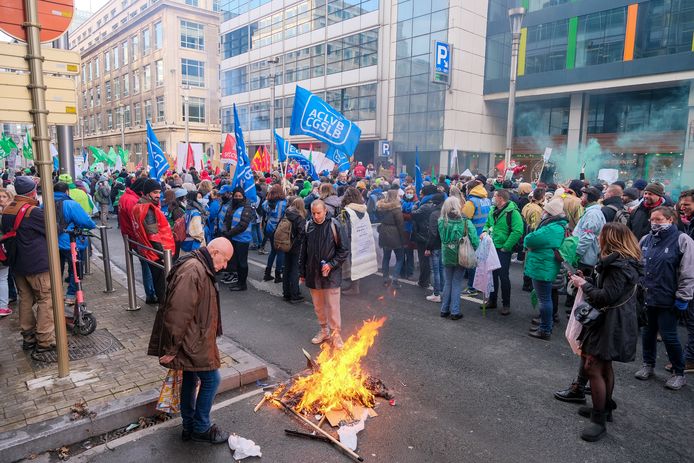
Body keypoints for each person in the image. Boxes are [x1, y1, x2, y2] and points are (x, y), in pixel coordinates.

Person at [148, 238, 234, 444]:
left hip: (194, 337)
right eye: (225, 260)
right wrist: (171, 347)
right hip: (192, 340)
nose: (225, 266)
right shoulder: (194, 269)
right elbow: (178, 312)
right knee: (212, 380)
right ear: (214, 252)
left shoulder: (199, 266)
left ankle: (189, 425)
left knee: (190, 378)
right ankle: (201, 427)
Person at [568, 223, 643, 442]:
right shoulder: (626, 261)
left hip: (610, 321)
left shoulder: (616, 265)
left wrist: (583, 284)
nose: (598, 238)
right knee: (604, 364)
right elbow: (611, 290)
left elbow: (606, 297)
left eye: (602, 235)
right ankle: (604, 409)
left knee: (593, 366)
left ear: (609, 239)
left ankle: (598, 421)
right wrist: (589, 280)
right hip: (617, 318)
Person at [634, 206, 694, 390]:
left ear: (670, 220)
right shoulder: (646, 239)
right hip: (647, 296)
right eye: (652, 219)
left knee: (669, 336)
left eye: (659, 219)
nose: (654, 223)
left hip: (669, 298)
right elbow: (637, 263)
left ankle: (679, 373)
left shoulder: (683, 240)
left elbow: (688, 271)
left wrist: (683, 297)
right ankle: (648, 365)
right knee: (647, 333)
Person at [1, 176, 55, 353]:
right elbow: (54, 230)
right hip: (37, 264)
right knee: (45, 299)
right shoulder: (33, 211)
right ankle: (45, 339)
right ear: (33, 192)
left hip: (17, 264)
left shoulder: (8, 209)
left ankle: (28, 336)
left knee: (25, 299)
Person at [300, 200, 350, 348]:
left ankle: (336, 334)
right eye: (313, 213)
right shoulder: (308, 226)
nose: (316, 216)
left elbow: (344, 250)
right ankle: (324, 330)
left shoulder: (335, 225)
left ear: (325, 211)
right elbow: (304, 252)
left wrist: (331, 264)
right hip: (313, 273)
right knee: (318, 306)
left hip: (331, 275)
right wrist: (302, 272)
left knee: (333, 307)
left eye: (319, 213)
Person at [524, 199, 567, 340]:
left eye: (545, 211)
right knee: (546, 298)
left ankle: (545, 329)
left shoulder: (551, 228)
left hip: (543, 265)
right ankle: (545, 325)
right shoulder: (557, 226)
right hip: (545, 264)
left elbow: (530, 239)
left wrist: (530, 243)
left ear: (550, 213)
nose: (543, 212)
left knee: (544, 299)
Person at [131, 179, 175, 305]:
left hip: (148, 251)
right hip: (156, 253)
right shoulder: (148, 209)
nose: (158, 195)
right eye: (155, 192)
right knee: (162, 285)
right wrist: (162, 256)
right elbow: (153, 235)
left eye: (159, 192)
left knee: (158, 282)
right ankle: (165, 311)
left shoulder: (139, 206)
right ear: (146, 193)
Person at [54, 182, 97, 306]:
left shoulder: (44, 204)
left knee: (56, 269)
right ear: (67, 191)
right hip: (70, 242)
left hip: (52, 243)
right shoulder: (71, 204)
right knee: (75, 269)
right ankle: (71, 295)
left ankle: (56, 295)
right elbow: (87, 222)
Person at [481, 189, 523, 315]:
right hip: (491, 246)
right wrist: (484, 231)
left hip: (503, 249)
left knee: (503, 276)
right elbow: (488, 224)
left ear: (500, 198)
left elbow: (518, 231)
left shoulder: (513, 212)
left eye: (494, 196)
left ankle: (506, 304)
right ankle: (492, 301)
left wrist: (506, 246)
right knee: (492, 274)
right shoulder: (492, 210)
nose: (492, 198)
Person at [438, 197, 479, 320]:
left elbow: (441, 237)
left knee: (448, 282)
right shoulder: (465, 221)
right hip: (461, 254)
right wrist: (478, 250)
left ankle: (444, 309)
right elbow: (474, 239)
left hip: (447, 253)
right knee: (456, 283)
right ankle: (455, 311)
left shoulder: (441, 221)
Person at [340, 187, 377, 296]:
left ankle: (354, 287)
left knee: (351, 263)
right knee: (357, 262)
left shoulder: (344, 211)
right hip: (361, 239)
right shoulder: (364, 210)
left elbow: (343, 228)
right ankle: (354, 285)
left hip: (351, 241)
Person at [461, 180, 492, 296]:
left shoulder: (471, 202)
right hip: (484, 234)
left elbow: (464, 219)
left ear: (470, 189)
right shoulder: (486, 200)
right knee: (482, 262)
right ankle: (480, 286)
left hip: (473, 235)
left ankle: (472, 287)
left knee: (472, 263)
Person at [224, 187, 255, 291]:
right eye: (236, 196)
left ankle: (242, 284)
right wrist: (226, 231)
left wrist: (229, 233)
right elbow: (226, 219)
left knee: (242, 262)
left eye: (239, 196)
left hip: (242, 239)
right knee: (236, 261)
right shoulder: (232, 206)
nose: (237, 198)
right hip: (233, 237)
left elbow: (243, 225)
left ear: (243, 196)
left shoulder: (247, 207)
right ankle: (239, 282)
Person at [677, 190, 694, 372]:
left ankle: (690, 359)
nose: (683, 207)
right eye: (682, 204)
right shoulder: (688, 223)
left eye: (687, 204)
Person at [377, 189, 407, 288]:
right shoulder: (396, 209)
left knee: (386, 257)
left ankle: (385, 279)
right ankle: (394, 280)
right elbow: (400, 225)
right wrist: (404, 240)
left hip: (384, 233)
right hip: (395, 235)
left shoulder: (381, 207)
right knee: (400, 258)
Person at [282, 198, 307, 302]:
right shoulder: (300, 218)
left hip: (286, 244)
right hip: (295, 247)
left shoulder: (286, 214)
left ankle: (286, 293)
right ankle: (294, 295)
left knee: (286, 269)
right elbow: (301, 234)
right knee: (294, 270)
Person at [521, 188, 545, 292]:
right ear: (542, 197)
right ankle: (527, 284)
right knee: (530, 260)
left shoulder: (528, 205)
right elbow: (535, 226)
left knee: (528, 260)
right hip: (531, 237)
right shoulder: (536, 210)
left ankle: (527, 282)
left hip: (526, 236)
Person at [262, 184, 287, 283]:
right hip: (279, 229)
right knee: (280, 252)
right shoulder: (283, 203)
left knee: (273, 251)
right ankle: (277, 275)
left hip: (269, 228)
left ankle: (267, 273)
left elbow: (264, 208)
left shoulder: (266, 202)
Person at [424, 193, 446, 302]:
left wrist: (428, 248)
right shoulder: (447, 212)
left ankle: (436, 293)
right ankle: (443, 292)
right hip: (444, 245)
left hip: (436, 245)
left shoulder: (434, 214)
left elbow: (432, 233)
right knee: (442, 270)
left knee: (435, 270)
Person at [0, 187, 15, 317]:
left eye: (4, 197)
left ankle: (5, 302)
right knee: (3, 277)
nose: (1, 199)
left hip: (8, 249)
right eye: (0, 197)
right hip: (4, 249)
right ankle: (4, 305)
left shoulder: (9, 213)